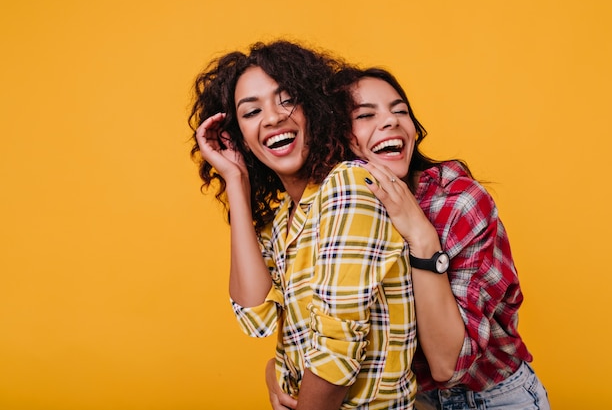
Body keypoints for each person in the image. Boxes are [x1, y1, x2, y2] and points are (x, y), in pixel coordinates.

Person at [266, 67, 550, 410]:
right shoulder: (338, 206)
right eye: (366, 115)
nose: (391, 122)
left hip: (489, 398)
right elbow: (309, 321)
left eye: (400, 110)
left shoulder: (458, 202)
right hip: (405, 400)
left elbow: (448, 365)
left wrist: (420, 235)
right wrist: (274, 372)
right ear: (337, 135)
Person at [189, 41, 417, 409]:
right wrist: (235, 179)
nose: (273, 118)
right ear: (242, 139)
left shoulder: (350, 185)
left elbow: (336, 351)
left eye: (287, 99)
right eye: (251, 112)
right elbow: (255, 315)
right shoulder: (282, 219)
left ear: (315, 107)